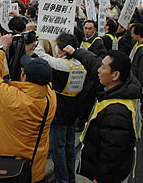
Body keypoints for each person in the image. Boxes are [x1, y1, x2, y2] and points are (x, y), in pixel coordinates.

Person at [0, 34, 57, 183]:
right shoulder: (50, 98)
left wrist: (1, 48)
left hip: (6, 168)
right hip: (33, 169)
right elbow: (41, 79)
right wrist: (29, 52)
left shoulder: (11, 99)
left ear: (24, 77)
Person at [76, 50, 142, 183]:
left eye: (103, 67)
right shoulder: (124, 88)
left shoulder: (116, 112)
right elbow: (94, 62)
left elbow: (112, 154)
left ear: (115, 75)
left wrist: (101, 179)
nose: (98, 70)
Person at [33, 33, 87, 183]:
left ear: (63, 49)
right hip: (73, 110)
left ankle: (62, 180)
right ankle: (70, 178)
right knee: (69, 148)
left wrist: (37, 41)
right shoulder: (80, 64)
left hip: (60, 112)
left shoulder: (62, 65)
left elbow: (44, 58)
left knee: (58, 149)